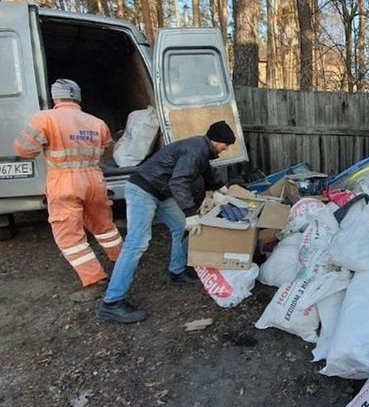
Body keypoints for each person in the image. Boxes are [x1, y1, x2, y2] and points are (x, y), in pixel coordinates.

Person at [97, 121, 236, 323]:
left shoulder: (201, 149)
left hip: (160, 191)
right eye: (226, 145)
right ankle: (112, 303)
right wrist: (190, 213)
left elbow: (206, 170)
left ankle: (177, 272)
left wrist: (221, 188)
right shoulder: (196, 150)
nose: (227, 149)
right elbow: (179, 182)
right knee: (137, 243)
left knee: (181, 228)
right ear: (216, 141)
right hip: (143, 190)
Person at [14, 79, 123, 302]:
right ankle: (124, 261)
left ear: (56, 97)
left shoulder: (45, 118)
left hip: (64, 183)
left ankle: (94, 279)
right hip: (95, 179)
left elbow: (24, 150)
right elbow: (106, 149)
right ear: (78, 98)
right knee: (105, 227)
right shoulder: (97, 122)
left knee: (69, 237)